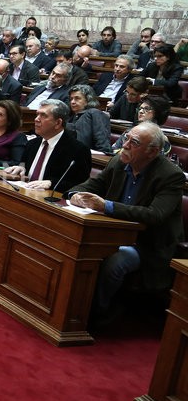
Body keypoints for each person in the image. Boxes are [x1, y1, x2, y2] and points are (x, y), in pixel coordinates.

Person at [68, 121, 184, 325]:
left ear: (152, 151)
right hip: (112, 234)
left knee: (116, 261)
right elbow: (93, 185)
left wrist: (107, 206)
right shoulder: (119, 162)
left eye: (134, 142)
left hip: (147, 244)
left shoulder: (170, 175)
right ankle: (71, 305)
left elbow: (155, 215)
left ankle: (96, 313)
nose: (126, 145)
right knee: (73, 243)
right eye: (126, 138)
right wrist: (75, 194)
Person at [4, 99, 91, 192]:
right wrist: (21, 168)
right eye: (37, 114)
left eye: (43, 115)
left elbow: (80, 185)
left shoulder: (78, 150)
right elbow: (24, 168)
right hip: (24, 193)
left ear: (58, 123)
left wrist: (51, 183)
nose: (36, 119)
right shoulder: (32, 144)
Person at [66, 84, 112, 154]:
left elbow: (103, 146)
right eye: (71, 99)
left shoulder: (95, 113)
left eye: (77, 98)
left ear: (88, 99)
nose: (72, 102)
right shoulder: (70, 115)